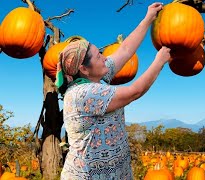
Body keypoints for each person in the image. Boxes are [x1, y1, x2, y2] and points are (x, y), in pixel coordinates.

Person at [55, 2, 171, 179]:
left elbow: (125, 49)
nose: (104, 57)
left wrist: (148, 19)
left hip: (114, 171)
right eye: (98, 55)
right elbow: (134, 91)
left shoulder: (97, 76)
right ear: (83, 69)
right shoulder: (82, 94)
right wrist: (160, 61)